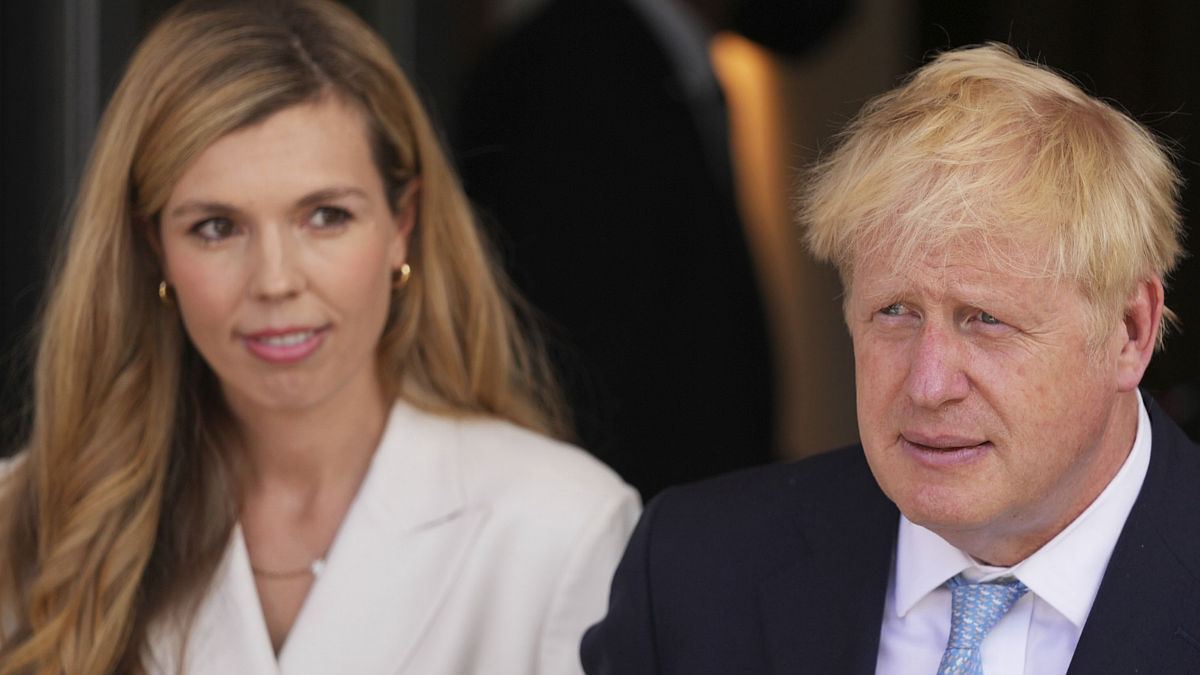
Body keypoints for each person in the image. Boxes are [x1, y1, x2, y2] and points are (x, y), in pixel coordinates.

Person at [0, 1, 639, 673]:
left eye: (326, 216)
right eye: (217, 227)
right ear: (155, 247)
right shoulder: (26, 524)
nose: (275, 281)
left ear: (401, 225)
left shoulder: (560, 529)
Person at [581, 43, 1198, 674]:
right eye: (895, 311)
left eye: (986, 320)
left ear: (1130, 332)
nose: (928, 385)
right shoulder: (693, 572)